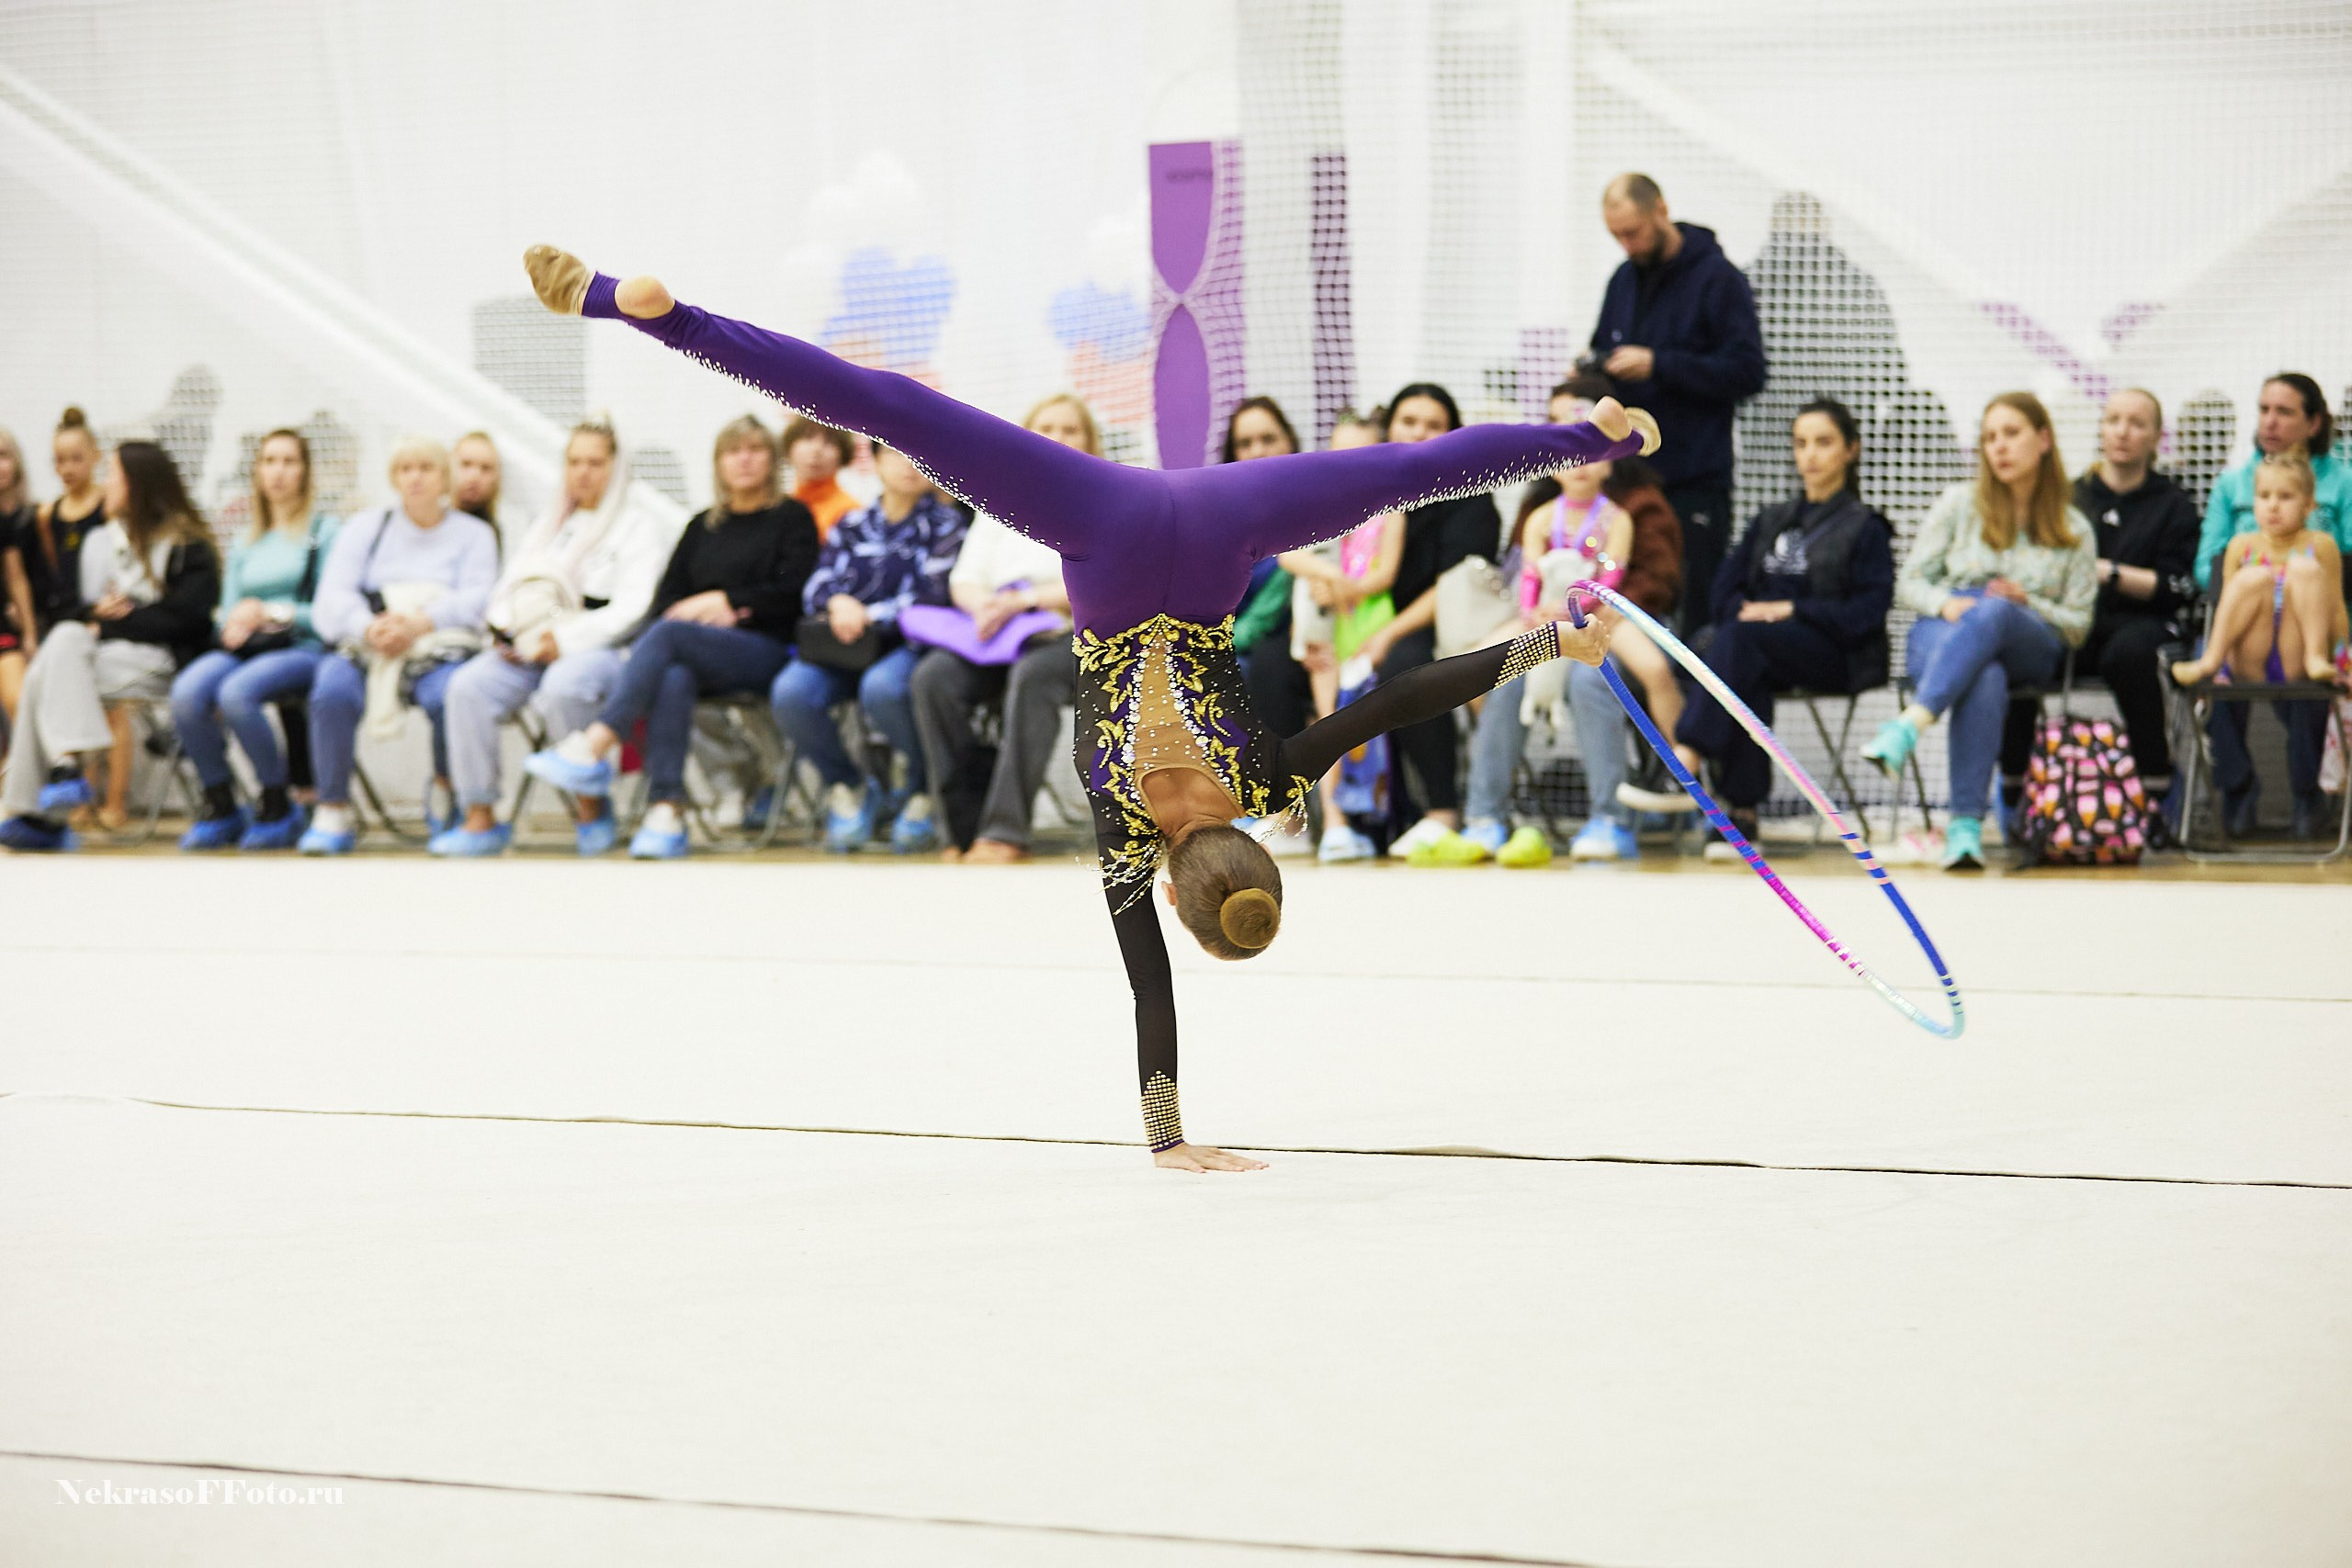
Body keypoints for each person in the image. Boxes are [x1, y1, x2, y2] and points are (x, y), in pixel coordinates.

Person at [523, 244, 1650, 1170]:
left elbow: (1403, 693)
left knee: (1407, 471)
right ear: (1173, 883)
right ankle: (653, 320)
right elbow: (1148, 984)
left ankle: (1584, 435)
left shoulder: (1265, 781)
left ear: (1252, 853)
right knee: (900, 415)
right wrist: (1168, 1138)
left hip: (1209, 525)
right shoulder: (1121, 827)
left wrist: (1555, 638)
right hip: (1106, 546)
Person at [521, 418, 819, 860]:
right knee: (673, 675)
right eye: (733, 451)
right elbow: (666, 601)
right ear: (718, 463)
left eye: (756, 450)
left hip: (767, 650)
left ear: (773, 461)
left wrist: (729, 602)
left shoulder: (791, 518)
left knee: (672, 637)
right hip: (700, 654)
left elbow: (798, 594)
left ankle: (597, 742)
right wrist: (696, 612)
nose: (745, 459)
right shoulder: (703, 526)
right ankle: (666, 809)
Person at [1449, 376, 1686, 865]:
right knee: (1495, 674)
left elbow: (1615, 575)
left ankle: (1628, 805)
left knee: (1600, 677)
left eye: (1593, 452)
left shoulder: (1621, 515)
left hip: (1603, 622)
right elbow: (1529, 573)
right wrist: (1536, 609)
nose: (1580, 465)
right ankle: (1484, 814)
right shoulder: (1539, 515)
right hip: (1544, 623)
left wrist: (1590, 608)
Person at [1863, 392, 2097, 870]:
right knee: (1984, 674)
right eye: (1990, 438)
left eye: (2011, 434)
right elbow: (1911, 582)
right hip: (1944, 625)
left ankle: (1910, 725)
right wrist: (1949, 602)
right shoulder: (1958, 504)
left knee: (1994, 611)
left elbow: (2077, 625)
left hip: (2029, 638)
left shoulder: (2074, 527)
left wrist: (2027, 602)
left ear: (2045, 439)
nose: (1999, 447)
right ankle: (1966, 828)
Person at [430, 419, 679, 856]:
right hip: (529, 649)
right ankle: (480, 817)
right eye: (574, 461)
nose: (583, 471)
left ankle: (591, 808)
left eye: (595, 462)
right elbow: (509, 587)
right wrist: (504, 634)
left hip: (599, 649)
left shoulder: (638, 527)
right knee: (468, 686)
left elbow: (631, 609)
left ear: (615, 468)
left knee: (564, 685)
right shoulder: (549, 522)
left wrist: (563, 641)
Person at [1671, 398, 1894, 852]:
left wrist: (1791, 611)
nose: (1810, 455)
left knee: (1740, 644)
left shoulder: (1865, 527)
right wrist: (1754, 613)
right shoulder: (1770, 521)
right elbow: (1724, 594)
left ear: (1851, 450)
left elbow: (1866, 614)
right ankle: (1743, 815)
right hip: (1757, 646)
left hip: (1835, 653)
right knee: (1739, 655)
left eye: (1824, 443)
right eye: (1801, 443)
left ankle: (1686, 757)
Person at [0, 441, 219, 852]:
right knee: (59, 647)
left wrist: (120, 619)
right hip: (102, 656)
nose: (105, 483)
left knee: (46, 671)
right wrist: (96, 613)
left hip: (163, 660)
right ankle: (62, 773)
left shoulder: (189, 545)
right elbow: (78, 607)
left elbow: (189, 619)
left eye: (113, 474)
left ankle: (37, 808)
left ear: (137, 483)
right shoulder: (103, 541)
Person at [1997, 389, 2199, 822]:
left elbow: (2177, 588)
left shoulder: (2173, 505)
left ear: (2156, 437)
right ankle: (2014, 786)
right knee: (2022, 650)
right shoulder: (2068, 499)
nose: (2122, 432)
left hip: (2141, 623)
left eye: (2136, 423)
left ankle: (2154, 787)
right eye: (2113, 420)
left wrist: (2107, 571)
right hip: (2074, 618)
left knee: (2127, 655)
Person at [909, 395, 1091, 864]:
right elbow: (964, 579)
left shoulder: (1103, 496)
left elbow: (1109, 584)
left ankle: (1006, 831)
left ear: (1090, 442)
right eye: (1047, 426)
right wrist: (987, 607)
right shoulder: (999, 500)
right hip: (999, 632)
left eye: (1071, 429)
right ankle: (962, 830)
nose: (1059, 436)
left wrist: (1024, 601)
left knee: (1035, 676)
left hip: (1073, 636)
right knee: (933, 679)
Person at [297, 437, 501, 854]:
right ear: (394, 477)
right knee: (331, 692)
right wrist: (370, 628)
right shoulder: (366, 528)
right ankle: (332, 807)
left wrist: (422, 622)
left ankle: (449, 793)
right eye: (406, 468)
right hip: (370, 643)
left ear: (445, 477)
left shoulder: (474, 534)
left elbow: (481, 599)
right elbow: (333, 596)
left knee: (451, 697)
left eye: (426, 468)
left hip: (437, 647)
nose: (415, 478)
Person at [1589, 173, 1768, 637]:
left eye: (1633, 232)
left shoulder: (1718, 279)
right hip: (1631, 481)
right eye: (1616, 236)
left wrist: (1659, 365)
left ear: (1661, 211)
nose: (1627, 245)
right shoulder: (1623, 280)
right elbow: (1599, 351)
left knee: (1693, 621)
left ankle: (1690, 710)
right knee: (1624, 615)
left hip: (1694, 482)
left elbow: (1747, 371)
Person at [771, 441, 966, 852]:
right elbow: (818, 586)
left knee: (882, 689)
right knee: (792, 693)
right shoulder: (852, 523)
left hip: (911, 645)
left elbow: (932, 595)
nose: (909, 464)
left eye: (917, 455)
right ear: (875, 462)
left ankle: (919, 789)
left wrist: (867, 614)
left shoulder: (947, 525)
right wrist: (838, 602)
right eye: (895, 453)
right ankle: (850, 784)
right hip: (845, 646)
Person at [168, 428, 343, 851]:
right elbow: (227, 610)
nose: (278, 472)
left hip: (302, 646)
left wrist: (273, 612)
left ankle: (276, 799)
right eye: (268, 461)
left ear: (304, 471)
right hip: (247, 647)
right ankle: (221, 801)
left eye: (288, 461)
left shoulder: (325, 530)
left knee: (235, 693)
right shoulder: (246, 539)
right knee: (187, 692)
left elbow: (331, 612)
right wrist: (235, 621)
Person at [1350, 383, 1501, 853]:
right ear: (1389, 427)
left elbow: (1453, 587)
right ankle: (1321, 819)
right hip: (1359, 620)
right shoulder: (1366, 492)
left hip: (1443, 627)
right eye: (1408, 421)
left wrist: (1386, 633)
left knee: (1406, 665)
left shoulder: (1472, 498)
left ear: (1453, 435)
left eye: (1433, 425)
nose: (1419, 433)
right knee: (1276, 662)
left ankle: (1442, 809)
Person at [2169, 453, 2347, 838]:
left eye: (2285, 496)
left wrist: (2340, 656)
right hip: (2248, 654)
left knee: (2302, 568)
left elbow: (2336, 612)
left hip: (2299, 654)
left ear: (2308, 503)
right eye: (2264, 495)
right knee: (2252, 581)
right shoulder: (2241, 546)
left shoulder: (2322, 545)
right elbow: (2227, 610)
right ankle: (2210, 662)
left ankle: (2307, 795)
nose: (2273, 505)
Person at [1275, 411, 1402, 863]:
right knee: (1329, 721)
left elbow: (1385, 573)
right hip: (1326, 630)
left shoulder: (1392, 508)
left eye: (1361, 451)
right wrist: (1326, 575)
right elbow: (1289, 555)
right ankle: (1334, 822)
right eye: (1340, 452)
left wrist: (1342, 587)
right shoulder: (1316, 504)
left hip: (1367, 624)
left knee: (1364, 724)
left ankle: (1374, 818)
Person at [2194, 374, 2348, 593]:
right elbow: (2205, 569)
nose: (2270, 422)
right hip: (2249, 605)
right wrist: (2260, 579)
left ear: (2314, 423)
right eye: (2264, 410)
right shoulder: (2231, 483)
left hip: (2318, 604)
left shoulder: (2344, 483)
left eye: (2284, 412)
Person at [0, 427, 35, 742]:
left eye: (4, 456)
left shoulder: (29, 517)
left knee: (20, 704)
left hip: (8, 633)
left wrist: (29, 632)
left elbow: (17, 578)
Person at [784, 416, 859, 538]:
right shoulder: (777, 507)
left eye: (829, 442)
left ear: (842, 453)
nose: (816, 450)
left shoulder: (851, 514)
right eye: (808, 437)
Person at [451, 431, 505, 536]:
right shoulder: (428, 520)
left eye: (486, 468)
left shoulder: (489, 532)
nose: (474, 477)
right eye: (466, 464)